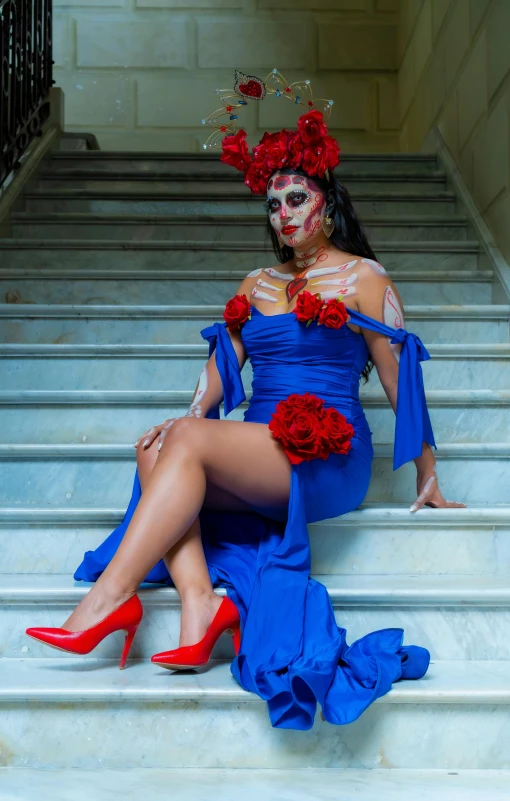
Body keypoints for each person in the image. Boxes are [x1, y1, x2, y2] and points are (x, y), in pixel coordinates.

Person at [25, 97, 466, 731]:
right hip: (256, 445)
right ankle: (200, 604)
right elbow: (216, 376)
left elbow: (402, 381)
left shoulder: (363, 278)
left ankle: (108, 601)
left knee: (185, 445)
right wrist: (182, 419)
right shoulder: (254, 283)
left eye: (297, 200)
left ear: (327, 204)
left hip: (326, 454)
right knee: (153, 448)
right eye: (273, 204)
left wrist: (427, 471)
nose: (283, 214)